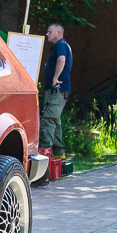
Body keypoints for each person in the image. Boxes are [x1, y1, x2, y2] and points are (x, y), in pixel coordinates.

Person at [39, 23, 73, 159]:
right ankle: (59, 154)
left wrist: (55, 78)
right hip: (58, 90)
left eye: (50, 31)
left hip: (57, 89)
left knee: (48, 119)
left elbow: (61, 60)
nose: (47, 34)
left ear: (59, 33)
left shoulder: (61, 45)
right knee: (55, 120)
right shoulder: (62, 46)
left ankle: (44, 154)